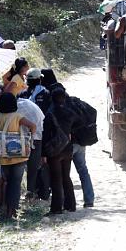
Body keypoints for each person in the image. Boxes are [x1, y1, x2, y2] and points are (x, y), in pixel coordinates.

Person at [0, 92, 36, 219]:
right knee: (16, 183)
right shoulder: (17, 116)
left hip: (3, 157)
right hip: (19, 156)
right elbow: (33, 126)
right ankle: (13, 211)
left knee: (6, 182)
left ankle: (6, 209)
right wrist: (30, 139)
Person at [42, 87, 78, 215]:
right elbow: (76, 125)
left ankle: (57, 208)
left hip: (54, 151)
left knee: (56, 178)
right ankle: (71, 205)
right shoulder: (70, 113)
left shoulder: (49, 114)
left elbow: (45, 135)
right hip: (68, 149)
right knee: (66, 177)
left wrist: (43, 154)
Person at [68, 94, 98, 208]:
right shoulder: (80, 104)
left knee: (65, 174)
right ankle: (89, 200)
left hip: (70, 145)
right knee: (83, 171)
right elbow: (93, 111)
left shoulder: (66, 106)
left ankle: (68, 203)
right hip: (81, 144)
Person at [16, 96, 46, 202]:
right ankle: (32, 194)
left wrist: (29, 141)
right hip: (39, 137)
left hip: (31, 139)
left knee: (20, 168)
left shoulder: (17, 107)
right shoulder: (26, 102)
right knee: (33, 169)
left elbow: (31, 126)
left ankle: (27, 195)